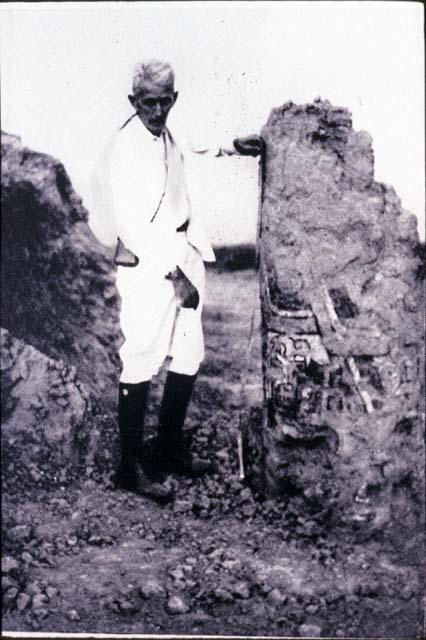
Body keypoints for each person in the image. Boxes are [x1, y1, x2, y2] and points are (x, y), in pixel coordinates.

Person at [90, 59, 261, 502]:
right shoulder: (127, 147)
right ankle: (129, 469)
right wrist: (175, 276)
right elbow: (133, 226)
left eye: (166, 101)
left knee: (189, 353)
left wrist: (233, 147)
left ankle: (166, 450)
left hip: (183, 252)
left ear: (174, 99)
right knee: (142, 355)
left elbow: (193, 148)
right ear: (134, 101)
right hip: (150, 266)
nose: (158, 110)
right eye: (149, 102)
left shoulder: (164, 133)